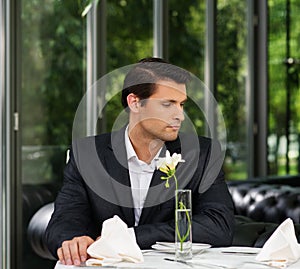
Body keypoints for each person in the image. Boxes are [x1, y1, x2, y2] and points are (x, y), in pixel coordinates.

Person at [45, 57, 235, 266]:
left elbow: (219, 225)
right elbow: (64, 221)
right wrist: (73, 240)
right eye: (167, 104)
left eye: (181, 104)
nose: (180, 115)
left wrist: (131, 237)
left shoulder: (202, 154)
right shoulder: (87, 154)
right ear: (135, 102)